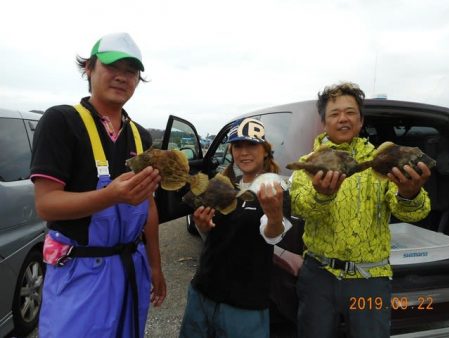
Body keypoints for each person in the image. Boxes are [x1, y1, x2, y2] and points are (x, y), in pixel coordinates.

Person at [30, 32, 166, 338]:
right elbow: (46, 204)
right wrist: (111, 196)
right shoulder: (61, 121)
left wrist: (155, 266)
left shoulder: (141, 137)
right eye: (111, 66)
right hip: (79, 272)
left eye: (131, 71)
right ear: (89, 69)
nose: (122, 77)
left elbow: (149, 206)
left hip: (131, 267)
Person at [290, 82, 431, 338]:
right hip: (319, 276)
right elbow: (300, 207)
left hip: (371, 280)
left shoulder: (380, 160)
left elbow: (413, 213)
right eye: (334, 114)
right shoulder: (308, 163)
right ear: (324, 122)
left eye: (350, 112)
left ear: (361, 120)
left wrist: (410, 194)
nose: (343, 119)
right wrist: (321, 196)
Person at [179, 118, 292, 338]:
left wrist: (275, 215)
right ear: (231, 151)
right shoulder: (224, 183)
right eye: (238, 146)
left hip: (245, 305)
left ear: (265, 151)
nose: (244, 152)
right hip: (203, 290)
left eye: (252, 145)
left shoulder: (274, 188)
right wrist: (204, 226)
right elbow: (215, 232)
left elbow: (273, 235)